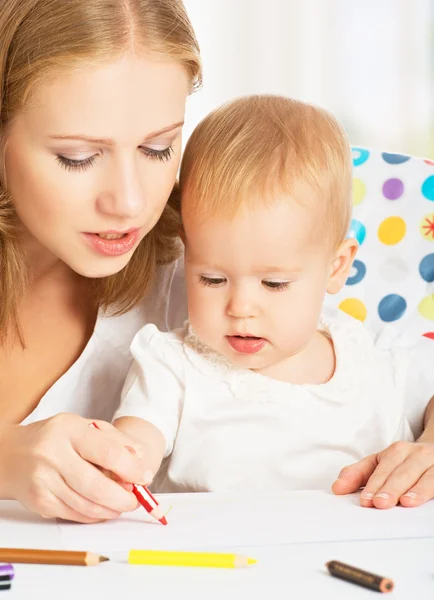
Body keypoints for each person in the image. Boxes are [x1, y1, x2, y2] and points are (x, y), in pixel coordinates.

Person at [113, 95, 434, 509]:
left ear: (337, 267)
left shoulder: (370, 358)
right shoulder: (170, 367)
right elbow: (134, 445)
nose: (241, 306)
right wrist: (119, 466)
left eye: (274, 283)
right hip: (213, 566)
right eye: (212, 278)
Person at [0, 0, 201, 523]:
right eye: (78, 157)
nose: (130, 203)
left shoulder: (200, 279)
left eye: (158, 148)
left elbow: (376, 365)